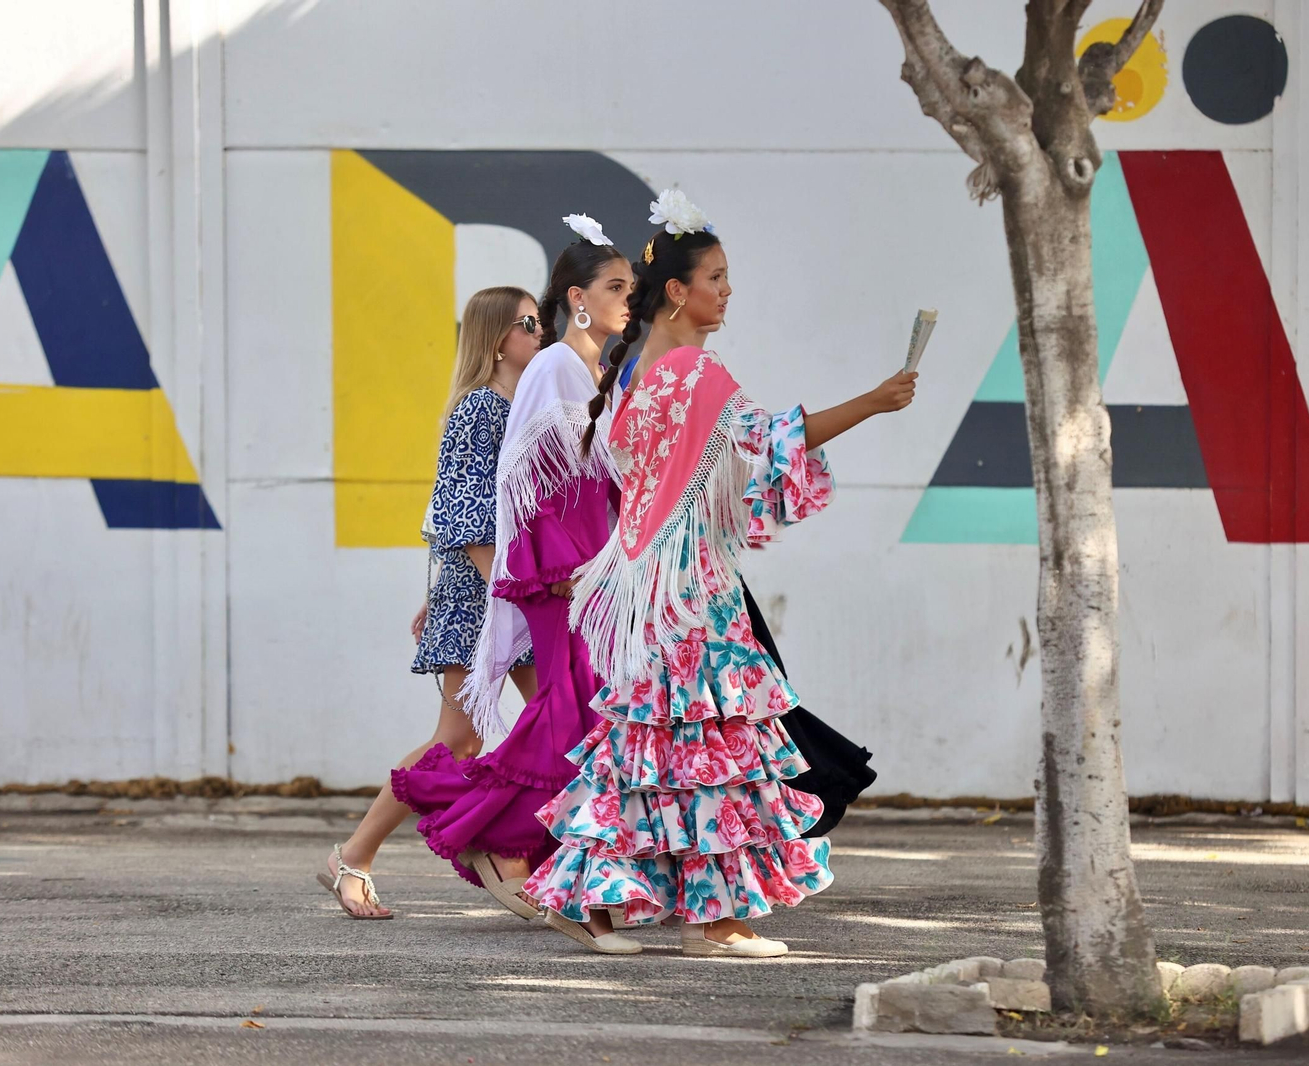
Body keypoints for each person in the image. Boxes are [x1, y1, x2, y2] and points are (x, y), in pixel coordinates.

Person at [524, 191, 917, 956]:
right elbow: (772, 446)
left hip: (650, 583)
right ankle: (694, 917)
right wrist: (873, 402)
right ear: (679, 289)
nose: (728, 291)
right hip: (686, 590)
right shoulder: (691, 375)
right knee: (708, 747)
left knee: (660, 752)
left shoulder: (636, 368)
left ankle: (644, 910)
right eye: (718, 276)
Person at [390, 216, 642, 951]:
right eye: (616, 287)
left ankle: (562, 876)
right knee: (524, 735)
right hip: (524, 588)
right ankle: (426, 841)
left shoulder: (569, 377)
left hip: (552, 583)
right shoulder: (526, 386)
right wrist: (529, 579)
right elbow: (494, 498)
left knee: (557, 733)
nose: (630, 298)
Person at [318, 286, 542, 919]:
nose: (541, 332)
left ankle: (536, 857)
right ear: (499, 338)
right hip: (490, 602)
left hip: (509, 597)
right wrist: (504, 593)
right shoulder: (480, 409)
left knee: (554, 723)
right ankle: (354, 856)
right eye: (529, 323)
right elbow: (461, 511)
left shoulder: (519, 407)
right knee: (459, 742)